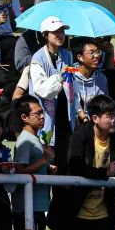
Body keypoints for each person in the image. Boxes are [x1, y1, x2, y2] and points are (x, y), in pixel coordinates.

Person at [49, 95, 115, 230]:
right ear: (95, 118)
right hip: (76, 211)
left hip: (105, 215)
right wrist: (105, 172)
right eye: (110, 116)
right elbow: (75, 167)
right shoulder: (80, 136)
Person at [28, 16, 75, 168]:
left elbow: (72, 86)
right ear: (45, 35)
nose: (60, 35)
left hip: (65, 118)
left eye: (62, 31)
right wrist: (60, 76)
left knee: (64, 164)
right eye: (55, 32)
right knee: (47, 165)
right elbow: (42, 90)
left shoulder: (67, 55)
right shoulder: (37, 59)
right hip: (47, 119)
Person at [12, 95, 56, 230]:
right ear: (24, 117)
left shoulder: (34, 138)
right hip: (27, 208)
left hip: (36, 206)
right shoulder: (25, 140)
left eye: (42, 112)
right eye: (37, 113)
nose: (42, 117)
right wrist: (44, 160)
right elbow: (19, 171)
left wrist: (47, 167)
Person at [70, 37, 109, 126]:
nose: (97, 56)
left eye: (98, 52)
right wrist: (84, 118)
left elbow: (104, 104)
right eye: (91, 53)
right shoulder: (70, 75)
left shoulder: (102, 79)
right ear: (80, 57)